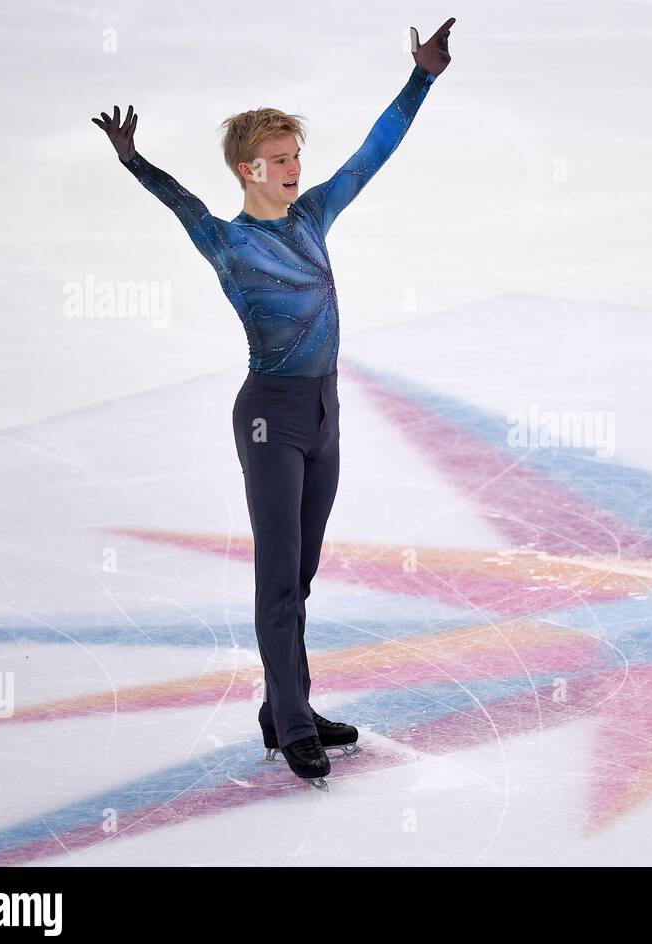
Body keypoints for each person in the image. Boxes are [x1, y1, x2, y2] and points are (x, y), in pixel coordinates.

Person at [92, 18, 456, 789]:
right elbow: (179, 199)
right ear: (248, 169)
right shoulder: (227, 242)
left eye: (297, 157)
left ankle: (283, 703)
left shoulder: (314, 215)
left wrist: (421, 79)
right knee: (278, 578)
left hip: (323, 413)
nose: (295, 168)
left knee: (305, 571)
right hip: (269, 416)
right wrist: (133, 160)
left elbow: (372, 154)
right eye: (281, 160)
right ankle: (292, 726)